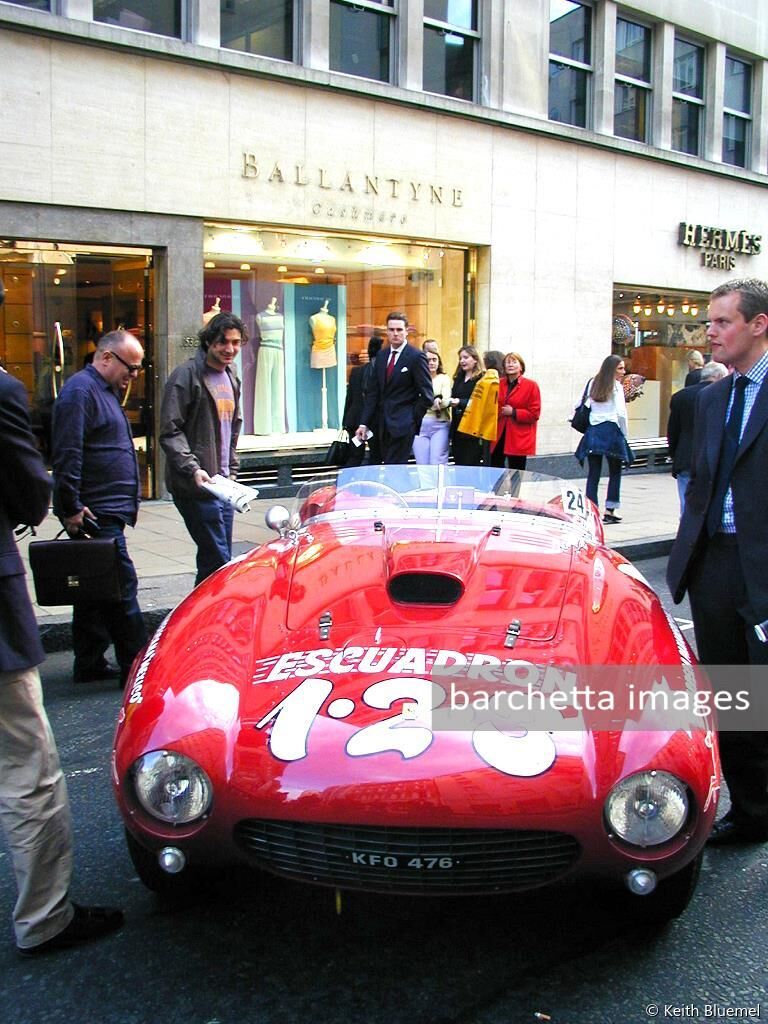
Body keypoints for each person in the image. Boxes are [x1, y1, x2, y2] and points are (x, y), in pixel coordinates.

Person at [0, 279, 124, 956]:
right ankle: (44, 916)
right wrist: (63, 504)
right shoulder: (8, 390)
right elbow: (31, 485)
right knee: (29, 767)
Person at [667, 278, 768, 846]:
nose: (710, 331)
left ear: (759, 324)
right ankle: (752, 811)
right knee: (735, 695)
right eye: (709, 321)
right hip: (715, 565)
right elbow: (701, 482)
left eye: (722, 322)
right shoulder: (710, 397)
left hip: (765, 566)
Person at [52, 330, 147, 685]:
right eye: (131, 367)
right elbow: (67, 452)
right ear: (106, 357)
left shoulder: (101, 391)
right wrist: (71, 506)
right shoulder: (81, 391)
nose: (134, 375)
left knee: (93, 590)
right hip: (94, 512)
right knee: (122, 589)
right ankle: (137, 669)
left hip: (104, 510)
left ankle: (89, 662)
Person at [160, 311, 247, 586]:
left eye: (235, 343)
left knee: (211, 561)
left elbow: (232, 430)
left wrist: (232, 471)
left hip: (223, 485)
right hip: (196, 486)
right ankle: (225, 614)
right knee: (220, 559)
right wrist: (192, 468)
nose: (230, 349)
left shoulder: (232, 378)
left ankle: (200, 619)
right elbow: (170, 430)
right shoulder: (186, 375)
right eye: (223, 342)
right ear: (209, 341)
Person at [356, 312, 434, 464]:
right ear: (387, 331)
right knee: (382, 468)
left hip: (403, 424)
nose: (395, 334)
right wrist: (363, 423)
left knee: (396, 469)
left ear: (406, 331)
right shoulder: (382, 356)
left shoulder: (416, 356)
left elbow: (427, 395)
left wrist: (412, 418)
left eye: (399, 330)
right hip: (380, 425)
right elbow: (373, 392)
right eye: (391, 330)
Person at [574, 354, 634, 523]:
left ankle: (591, 510)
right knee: (615, 471)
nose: (623, 372)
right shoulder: (616, 386)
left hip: (594, 432)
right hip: (612, 431)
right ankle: (610, 509)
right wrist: (625, 433)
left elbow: (577, 404)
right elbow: (621, 414)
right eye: (620, 368)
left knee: (594, 472)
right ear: (612, 369)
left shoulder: (592, 383)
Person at [667, 361, 728, 515]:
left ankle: (686, 534)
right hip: (713, 457)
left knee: (686, 505)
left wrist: (675, 454)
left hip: (685, 455)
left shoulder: (680, 396)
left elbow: (673, 430)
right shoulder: (723, 395)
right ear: (719, 376)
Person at [490, 351, 541, 470]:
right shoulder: (498, 384)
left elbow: (534, 414)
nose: (510, 365)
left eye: (514, 362)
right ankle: (497, 489)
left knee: (517, 471)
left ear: (521, 366)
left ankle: (515, 489)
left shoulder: (531, 386)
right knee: (495, 469)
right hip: (499, 434)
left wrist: (514, 412)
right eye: (507, 362)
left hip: (518, 436)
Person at [343, 334, 383, 466]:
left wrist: (345, 422)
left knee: (355, 455)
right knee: (376, 455)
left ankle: (346, 484)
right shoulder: (380, 372)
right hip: (372, 422)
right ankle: (369, 483)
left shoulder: (356, 371)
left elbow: (349, 398)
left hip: (354, 419)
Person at [412, 348, 452, 465]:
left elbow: (445, 401)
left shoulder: (443, 378)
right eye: (428, 360)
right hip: (420, 425)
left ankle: (439, 484)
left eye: (434, 359)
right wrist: (434, 401)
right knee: (422, 463)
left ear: (439, 362)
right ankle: (426, 485)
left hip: (439, 424)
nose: (432, 362)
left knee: (438, 461)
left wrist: (425, 403)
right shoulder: (416, 379)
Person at [449, 345, 485, 466]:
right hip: (458, 427)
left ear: (475, 359)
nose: (462, 361)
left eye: (466, 357)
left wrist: (460, 402)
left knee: (470, 463)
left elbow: (479, 402)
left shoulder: (481, 379)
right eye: (460, 358)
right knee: (459, 463)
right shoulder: (459, 377)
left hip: (472, 430)